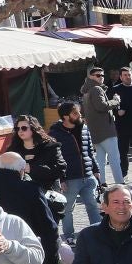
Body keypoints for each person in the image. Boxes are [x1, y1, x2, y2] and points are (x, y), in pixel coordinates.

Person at [49, 101, 104, 242]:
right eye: (75, 113)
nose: (79, 114)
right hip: (70, 179)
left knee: (93, 205)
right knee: (67, 209)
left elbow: (90, 151)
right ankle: (69, 236)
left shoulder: (84, 128)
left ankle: (99, 234)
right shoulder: (55, 133)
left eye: (78, 111)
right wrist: (61, 179)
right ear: (66, 117)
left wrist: (96, 169)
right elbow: (54, 158)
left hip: (88, 175)